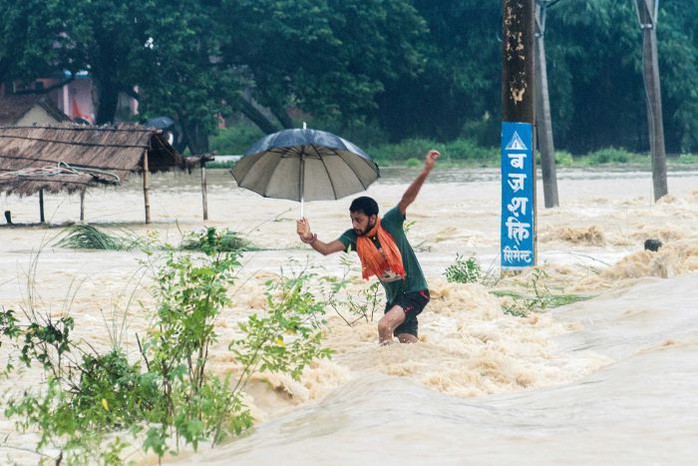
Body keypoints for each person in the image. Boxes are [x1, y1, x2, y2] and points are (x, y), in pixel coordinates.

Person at [296, 149, 440, 345]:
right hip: (394, 300)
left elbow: (407, 199)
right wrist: (309, 238)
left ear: (373, 218)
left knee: (384, 326)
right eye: (352, 220)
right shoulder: (354, 238)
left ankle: (382, 366)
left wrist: (425, 171)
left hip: (415, 292)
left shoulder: (390, 223)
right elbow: (327, 249)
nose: (355, 225)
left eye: (359, 220)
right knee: (408, 348)